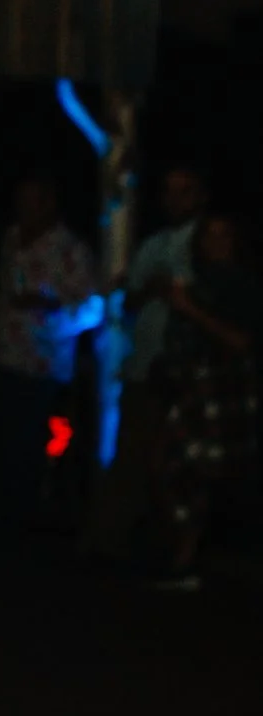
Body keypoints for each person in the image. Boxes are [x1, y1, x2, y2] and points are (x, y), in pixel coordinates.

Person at [87, 166, 208, 563]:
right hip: (144, 367)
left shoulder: (208, 243)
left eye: (185, 190)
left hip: (190, 371)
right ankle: (111, 543)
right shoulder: (153, 245)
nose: (176, 199)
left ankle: (176, 547)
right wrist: (141, 292)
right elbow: (133, 299)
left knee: (177, 464)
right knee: (132, 456)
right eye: (170, 191)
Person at [0, 176, 101, 534]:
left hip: (41, 365)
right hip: (2, 355)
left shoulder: (71, 249)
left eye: (32, 200)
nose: (24, 208)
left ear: (49, 204)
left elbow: (93, 308)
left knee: (28, 447)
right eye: (21, 200)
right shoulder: (12, 238)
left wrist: (52, 308)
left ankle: (22, 523)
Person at [151, 213, 258, 589]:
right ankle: (186, 558)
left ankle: (189, 560)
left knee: (201, 472)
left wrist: (190, 309)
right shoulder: (200, 281)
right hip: (193, 384)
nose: (216, 242)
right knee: (175, 467)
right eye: (209, 235)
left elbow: (241, 341)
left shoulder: (242, 286)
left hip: (224, 384)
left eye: (224, 233)